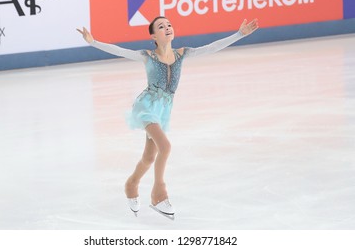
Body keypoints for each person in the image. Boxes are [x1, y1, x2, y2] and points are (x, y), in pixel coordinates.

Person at [77, 17, 258, 219]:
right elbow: (121, 51)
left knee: (149, 157)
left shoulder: (182, 54)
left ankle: (132, 183)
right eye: (161, 27)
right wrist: (93, 42)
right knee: (166, 146)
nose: (167, 28)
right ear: (153, 36)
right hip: (146, 106)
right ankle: (158, 193)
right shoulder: (147, 56)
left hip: (163, 111)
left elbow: (211, 48)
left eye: (169, 25)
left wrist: (239, 34)